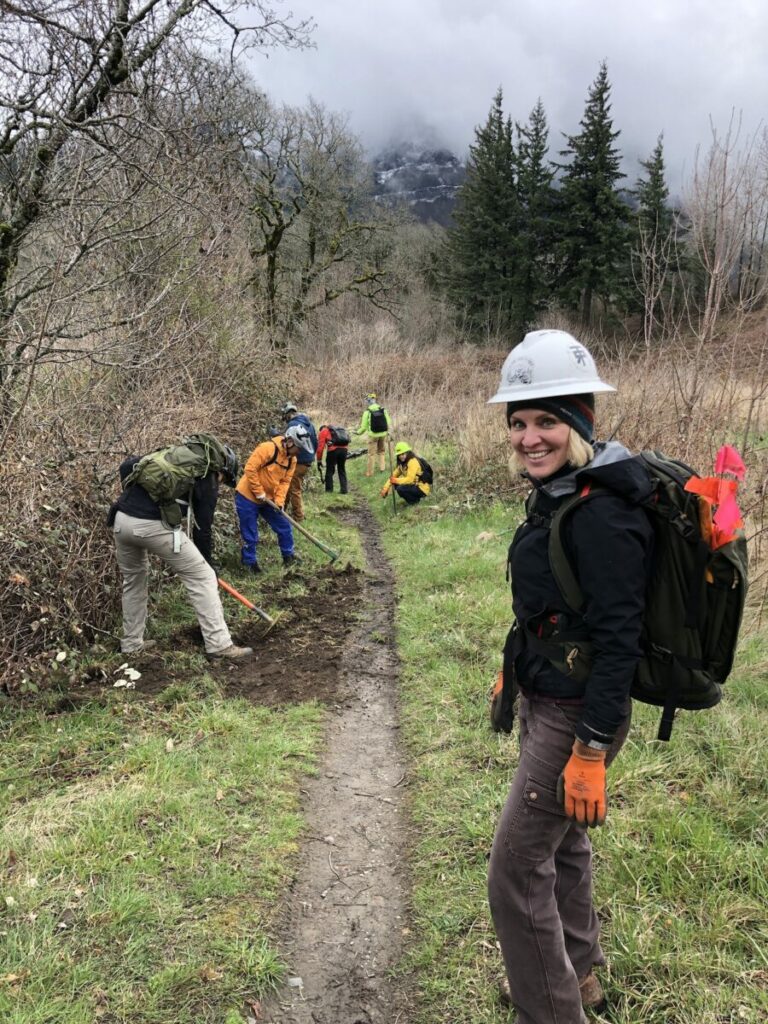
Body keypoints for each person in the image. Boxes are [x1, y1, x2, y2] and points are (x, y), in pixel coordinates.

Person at [485, 329, 654, 1024]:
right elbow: (556, 609)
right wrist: (515, 669)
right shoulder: (561, 492)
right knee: (565, 844)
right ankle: (577, 976)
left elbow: (622, 641)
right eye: (519, 422)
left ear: (581, 421)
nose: (529, 437)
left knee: (515, 872)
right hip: (549, 697)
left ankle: (549, 1010)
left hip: (578, 716)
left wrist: (590, 747)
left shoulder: (603, 514)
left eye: (547, 420)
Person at [108, 437, 252, 660]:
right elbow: (202, 529)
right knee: (202, 577)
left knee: (134, 582)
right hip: (152, 526)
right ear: (222, 469)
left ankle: (131, 644)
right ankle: (219, 645)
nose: (220, 483)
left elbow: (127, 466)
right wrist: (209, 567)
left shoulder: (171, 455)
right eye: (224, 479)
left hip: (121, 519)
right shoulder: (207, 474)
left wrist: (139, 500)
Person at [235, 425, 313, 572]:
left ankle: (288, 556)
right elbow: (250, 468)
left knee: (284, 527)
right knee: (251, 533)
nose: (299, 451)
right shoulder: (268, 448)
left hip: (268, 499)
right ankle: (249, 563)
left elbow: (285, 482)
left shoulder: (292, 460)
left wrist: (279, 502)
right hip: (247, 496)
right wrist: (258, 491)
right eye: (298, 447)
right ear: (290, 442)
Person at [280, 402, 318, 522]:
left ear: (287, 414)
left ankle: (298, 517)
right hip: (307, 461)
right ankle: (282, 511)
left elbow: (286, 445)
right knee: (291, 487)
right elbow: (315, 442)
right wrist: (311, 456)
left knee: (293, 489)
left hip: (298, 461)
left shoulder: (292, 425)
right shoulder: (309, 423)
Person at [354, 393, 392, 477]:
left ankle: (369, 473)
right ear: (375, 400)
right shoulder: (383, 409)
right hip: (383, 434)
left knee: (371, 454)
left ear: (368, 401)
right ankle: (382, 469)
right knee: (381, 451)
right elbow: (388, 422)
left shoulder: (367, 412)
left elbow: (363, 427)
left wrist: (358, 432)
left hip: (373, 435)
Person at [316, 424, 350, 494]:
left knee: (329, 470)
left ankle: (329, 490)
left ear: (321, 429)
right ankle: (344, 490)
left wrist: (319, 460)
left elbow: (320, 448)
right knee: (341, 469)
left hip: (333, 450)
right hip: (344, 450)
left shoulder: (323, 431)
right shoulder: (338, 429)